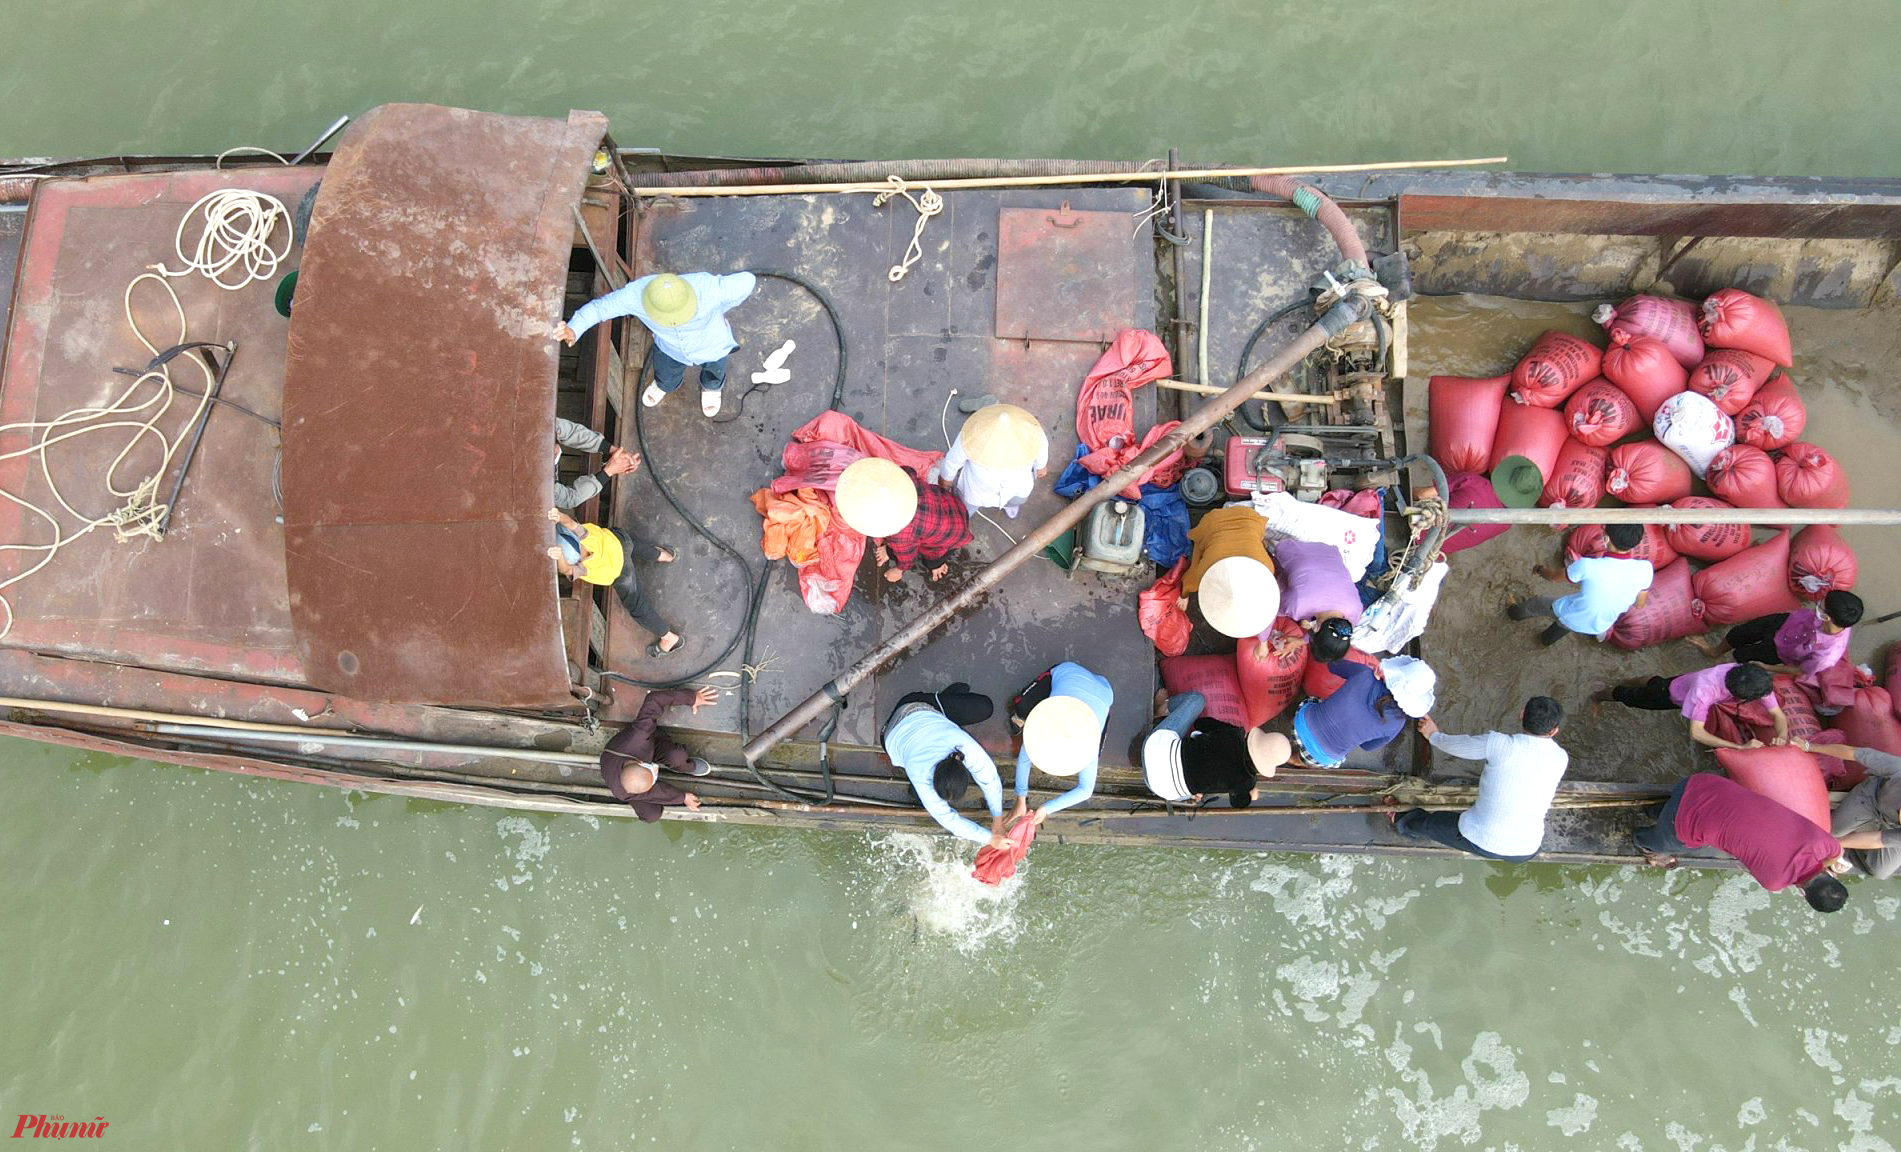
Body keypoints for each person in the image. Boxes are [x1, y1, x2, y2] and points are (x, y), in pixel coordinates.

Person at [1632, 772, 1852, 912]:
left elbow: (1835, 853)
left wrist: (1828, 864)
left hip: (1700, 782)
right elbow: (1778, 879)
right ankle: (1646, 844)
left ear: (1832, 874)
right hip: (1685, 821)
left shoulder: (1827, 845)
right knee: (1663, 842)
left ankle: (1655, 811)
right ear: (1803, 894)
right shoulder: (1775, 881)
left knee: (1679, 812)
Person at [554, 271, 756, 418]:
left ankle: (711, 388)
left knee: (715, 371)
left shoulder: (708, 288)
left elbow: (748, 281)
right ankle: (665, 385)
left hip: (713, 345)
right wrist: (574, 328)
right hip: (670, 348)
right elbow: (600, 308)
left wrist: (722, 307)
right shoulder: (636, 295)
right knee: (665, 374)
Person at [1394, 697, 1569, 862]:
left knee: (1430, 824)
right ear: (1554, 731)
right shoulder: (1561, 757)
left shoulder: (1498, 744)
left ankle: (1400, 820)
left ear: (1521, 714)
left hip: (1483, 839)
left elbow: (1458, 747)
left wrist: (1433, 735)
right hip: (1527, 849)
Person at [881, 683, 1010, 849]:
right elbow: (949, 821)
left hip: (921, 716)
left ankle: (944, 700)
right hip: (898, 725)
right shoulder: (919, 772)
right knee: (919, 789)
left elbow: (990, 780)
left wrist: (997, 821)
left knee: (985, 707)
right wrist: (991, 837)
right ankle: (945, 701)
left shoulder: (963, 745)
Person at [546, 507, 683, 657]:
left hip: (622, 572)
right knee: (632, 545)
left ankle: (669, 638)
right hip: (619, 541)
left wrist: (559, 557)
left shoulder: (581, 566)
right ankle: (665, 555)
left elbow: (565, 570)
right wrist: (559, 516)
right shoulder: (583, 534)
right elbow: (570, 523)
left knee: (637, 606)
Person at [1507, 522, 1652, 646]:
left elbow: (1553, 578)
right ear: (1635, 543)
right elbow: (1639, 605)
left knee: (1538, 602)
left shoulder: (1587, 566)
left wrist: (1539, 569)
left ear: (1606, 538)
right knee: (1566, 623)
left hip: (1575, 616)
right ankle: (1545, 641)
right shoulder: (1646, 569)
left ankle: (1513, 612)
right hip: (1601, 625)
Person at [832, 457, 972, 584]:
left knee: (931, 557)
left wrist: (898, 571)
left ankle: (937, 565)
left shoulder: (901, 535)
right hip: (950, 504)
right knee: (903, 544)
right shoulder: (904, 478)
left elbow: (907, 558)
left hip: (951, 536)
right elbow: (909, 470)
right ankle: (892, 551)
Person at [1141, 690, 1292, 806]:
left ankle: (1164, 708)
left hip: (1151, 749)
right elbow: (1239, 803)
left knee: (1197, 700)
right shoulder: (1247, 782)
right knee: (1191, 791)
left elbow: (1201, 723)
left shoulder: (1235, 734)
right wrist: (1251, 795)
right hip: (1159, 787)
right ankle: (1195, 793)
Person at [1007, 662, 1114, 824]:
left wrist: (1023, 799)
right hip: (1089, 682)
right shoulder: (1089, 747)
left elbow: (1086, 791)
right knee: (1020, 707)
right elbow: (1086, 790)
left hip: (1097, 685)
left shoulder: (1087, 749)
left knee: (1023, 710)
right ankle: (1021, 715)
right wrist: (1045, 808)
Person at [1600, 662, 1788, 751]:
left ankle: (1631, 679)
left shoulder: (1750, 676)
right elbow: (1696, 733)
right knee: (1631, 697)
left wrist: (1781, 737)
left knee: (1657, 681)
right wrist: (1738, 747)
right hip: (1671, 695)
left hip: (1682, 681)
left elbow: (1778, 715)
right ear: (1739, 696)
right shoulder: (1704, 691)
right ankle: (1600, 696)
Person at [1291, 655, 1436, 769]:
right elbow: (1367, 746)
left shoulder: (1365, 674)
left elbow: (1333, 665)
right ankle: (1297, 759)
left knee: (1316, 700)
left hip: (1300, 723)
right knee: (1337, 754)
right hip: (1321, 757)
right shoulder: (1397, 723)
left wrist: (1368, 672)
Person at [599, 685, 719, 822]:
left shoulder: (639, 736)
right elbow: (654, 792)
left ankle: (687, 767)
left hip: (648, 746)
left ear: (640, 763)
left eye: (653, 773)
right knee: (651, 815)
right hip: (633, 779)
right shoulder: (622, 792)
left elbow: (654, 699)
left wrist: (691, 698)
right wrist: (682, 797)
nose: (657, 772)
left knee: (677, 756)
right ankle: (644, 799)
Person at [1692, 591, 1862, 686]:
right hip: (1786, 623)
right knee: (1739, 632)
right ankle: (1713, 652)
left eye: (1820, 606)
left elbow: (1800, 670)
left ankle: (1717, 674)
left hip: (1779, 651)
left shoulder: (1827, 654)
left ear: (1827, 617)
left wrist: (1767, 667)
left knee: (1742, 656)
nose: (1817, 605)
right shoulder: (1829, 616)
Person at [1177, 505, 1279, 639]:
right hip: (1214, 522)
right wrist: (1183, 595)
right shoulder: (1202, 574)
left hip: (1249, 517)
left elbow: (1259, 546)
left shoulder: (1267, 568)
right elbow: (1190, 579)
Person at [1803, 739, 1901, 878]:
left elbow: (1878, 840)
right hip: (1872, 798)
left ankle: (1846, 853)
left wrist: (1836, 848)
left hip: (1890, 826)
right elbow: (1853, 753)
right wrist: (1809, 746)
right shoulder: (1898, 769)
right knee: (1830, 833)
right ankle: (1844, 840)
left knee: (1880, 871)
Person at [935, 403, 1048, 517]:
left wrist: (945, 482)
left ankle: (963, 519)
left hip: (978, 490)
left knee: (965, 509)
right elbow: (1041, 467)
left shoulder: (969, 436)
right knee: (1013, 500)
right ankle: (1004, 507)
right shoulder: (1035, 433)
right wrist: (1040, 467)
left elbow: (951, 464)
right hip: (1006, 490)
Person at [553, 417, 640, 510]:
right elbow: (570, 499)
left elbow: (569, 431)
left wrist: (612, 450)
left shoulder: (543, 426)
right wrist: (608, 472)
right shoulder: (541, 483)